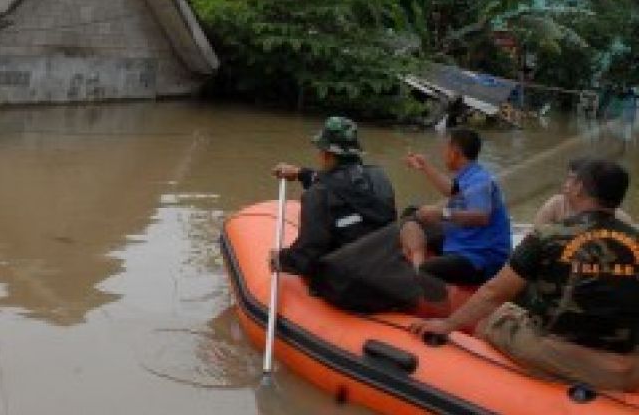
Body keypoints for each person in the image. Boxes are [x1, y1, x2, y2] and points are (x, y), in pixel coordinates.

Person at [410, 159, 639, 391]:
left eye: (572, 180)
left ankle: (486, 386)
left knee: (492, 319)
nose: (566, 184)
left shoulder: (548, 236)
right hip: (629, 366)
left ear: (579, 188)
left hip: (569, 356)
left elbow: (494, 292)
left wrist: (448, 325)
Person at [271, 116, 397, 282]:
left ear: (327, 155)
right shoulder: (379, 177)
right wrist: (301, 173)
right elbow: (345, 183)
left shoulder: (317, 194)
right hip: (385, 269)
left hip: (347, 282)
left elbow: (308, 252)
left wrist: (280, 260)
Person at [400, 128, 511, 285]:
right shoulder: (470, 175)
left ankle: (419, 272)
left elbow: (482, 217)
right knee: (412, 213)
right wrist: (424, 166)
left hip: (481, 256)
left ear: (455, 152)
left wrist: (442, 214)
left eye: (446, 149)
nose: (444, 154)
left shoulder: (481, 180)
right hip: (463, 240)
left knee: (428, 270)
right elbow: (452, 190)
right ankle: (417, 255)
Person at [533, 158, 633, 229]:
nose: (566, 184)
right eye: (568, 178)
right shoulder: (556, 204)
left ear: (580, 186)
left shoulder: (620, 218)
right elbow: (536, 229)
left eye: (572, 180)